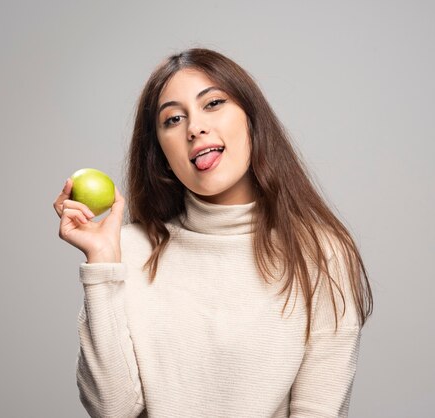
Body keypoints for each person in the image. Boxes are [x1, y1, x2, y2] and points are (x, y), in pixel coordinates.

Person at [53, 48, 373, 418]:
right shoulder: (125, 251)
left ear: (252, 119)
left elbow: (320, 410)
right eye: (173, 119)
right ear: (160, 153)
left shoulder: (321, 252)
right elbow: (112, 408)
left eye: (214, 103)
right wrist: (102, 268)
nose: (194, 128)